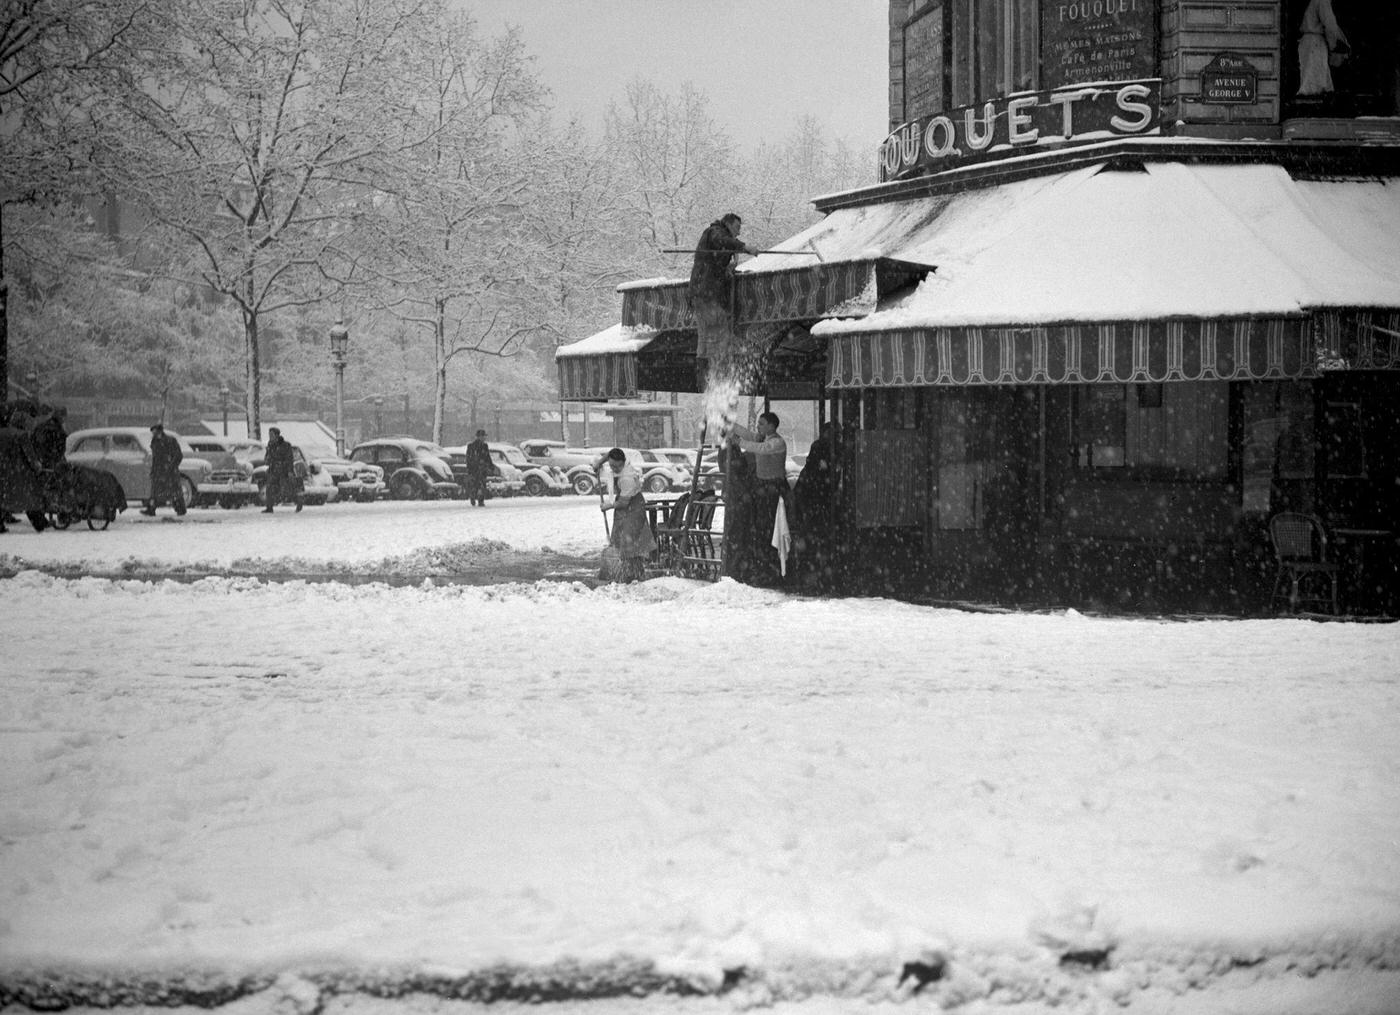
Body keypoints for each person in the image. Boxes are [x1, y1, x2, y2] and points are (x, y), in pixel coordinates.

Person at [688, 212, 760, 391]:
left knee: (704, 336)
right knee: (720, 328)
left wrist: (727, 269)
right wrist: (744, 247)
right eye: (737, 228)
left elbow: (715, 264)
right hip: (706, 293)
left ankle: (704, 377)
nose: (738, 233)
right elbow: (723, 241)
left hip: (700, 293)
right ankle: (718, 373)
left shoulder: (714, 238)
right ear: (728, 224)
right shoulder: (715, 232)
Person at [726, 411, 791, 586]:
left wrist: (738, 442)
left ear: (771, 425)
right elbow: (748, 434)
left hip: (775, 490)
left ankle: (773, 569)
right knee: (761, 528)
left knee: (771, 527)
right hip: (763, 489)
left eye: (761, 424)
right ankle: (763, 567)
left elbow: (760, 449)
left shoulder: (777, 442)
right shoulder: (762, 438)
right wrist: (730, 423)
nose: (758, 427)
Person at [597, 447, 656, 582]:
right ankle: (620, 571)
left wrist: (608, 505)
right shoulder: (618, 460)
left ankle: (633, 573)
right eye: (611, 465)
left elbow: (623, 503)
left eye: (617, 466)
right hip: (625, 508)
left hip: (633, 508)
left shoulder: (626, 478)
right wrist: (599, 463)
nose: (614, 468)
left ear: (623, 462)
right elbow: (611, 453)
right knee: (619, 539)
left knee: (629, 541)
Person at [793, 421, 835, 588]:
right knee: (815, 529)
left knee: (810, 529)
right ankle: (815, 563)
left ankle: (809, 564)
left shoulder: (818, 447)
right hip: (815, 496)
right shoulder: (823, 447)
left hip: (812, 496)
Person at [1297, 0, 1349, 97]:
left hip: (1308, 41)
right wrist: (1335, 45)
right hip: (1315, 42)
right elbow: (1330, 25)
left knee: (1311, 78)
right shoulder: (1323, 1)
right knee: (1315, 82)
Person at [142, 422, 186, 516]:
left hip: (170, 471)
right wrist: (154, 471)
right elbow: (155, 458)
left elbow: (178, 455)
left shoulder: (170, 441)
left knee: (174, 491)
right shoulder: (155, 442)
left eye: (154, 431)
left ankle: (180, 508)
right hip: (158, 471)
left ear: (159, 431)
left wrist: (171, 466)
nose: (153, 433)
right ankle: (151, 508)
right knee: (155, 492)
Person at [262, 427, 303, 513]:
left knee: (287, 489)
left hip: (283, 470)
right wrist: (267, 460)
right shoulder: (270, 445)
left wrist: (289, 471)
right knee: (269, 488)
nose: (270, 436)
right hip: (273, 470)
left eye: (272, 435)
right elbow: (267, 457)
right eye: (269, 435)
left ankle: (298, 502)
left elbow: (289, 459)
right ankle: (269, 507)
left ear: (277, 435)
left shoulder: (285, 445)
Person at [464, 429, 493, 506]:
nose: (484, 438)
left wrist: (491, 466)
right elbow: (468, 458)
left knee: (482, 485)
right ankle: (473, 496)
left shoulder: (485, 446)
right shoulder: (471, 446)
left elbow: (488, 457)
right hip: (474, 469)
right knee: (475, 484)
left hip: (483, 469)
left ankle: (481, 500)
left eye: (484, 436)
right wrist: (470, 468)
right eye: (482, 436)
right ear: (478, 437)